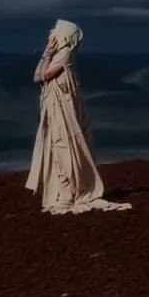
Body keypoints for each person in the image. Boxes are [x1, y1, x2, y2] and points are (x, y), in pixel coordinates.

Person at [25, 19, 131, 214]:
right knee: (58, 149)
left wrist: (47, 55)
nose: (51, 34)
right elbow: (37, 77)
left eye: (55, 31)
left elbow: (43, 76)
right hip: (55, 111)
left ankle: (70, 193)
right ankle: (65, 192)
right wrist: (47, 54)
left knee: (64, 149)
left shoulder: (64, 55)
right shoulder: (57, 54)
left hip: (64, 113)